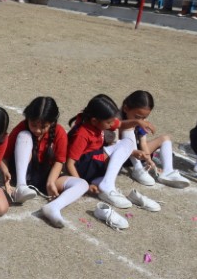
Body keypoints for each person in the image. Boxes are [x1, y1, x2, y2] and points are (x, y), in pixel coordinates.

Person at [67, 95, 159, 228]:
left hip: (94, 165)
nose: (112, 125)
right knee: (126, 144)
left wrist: (138, 122)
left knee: (126, 143)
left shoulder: (100, 122)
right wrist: (81, 184)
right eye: (109, 122)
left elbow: (120, 124)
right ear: (94, 121)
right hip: (83, 166)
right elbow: (70, 163)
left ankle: (102, 183)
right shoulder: (82, 133)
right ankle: (107, 185)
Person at [4, 97, 89, 228]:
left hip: (46, 175)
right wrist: (6, 175)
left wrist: (50, 183)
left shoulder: (59, 132)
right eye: (34, 125)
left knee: (82, 184)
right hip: (24, 172)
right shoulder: (22, 128)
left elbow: (59, 161)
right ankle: (21, 187)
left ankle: (54, 207)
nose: (37, 130)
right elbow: (3, 156)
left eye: (43, 127)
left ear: (52, 122)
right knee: (24, 135)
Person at [119, 90, 190, 188]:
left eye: (144, 118)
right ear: (125, 108)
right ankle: (138, 169)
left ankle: (168, 171)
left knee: (165, 138)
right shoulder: (116, 118)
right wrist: (133, 152)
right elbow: (113, 143)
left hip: (137, 155)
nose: (141, 120)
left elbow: (143, 143)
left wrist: (149, 161)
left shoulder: (141, 121)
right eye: (137, 117)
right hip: (119, 155)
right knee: (129, 129)